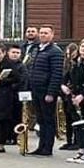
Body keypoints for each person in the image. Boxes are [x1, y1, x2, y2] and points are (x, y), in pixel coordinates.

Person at [24, 25, 65, 156]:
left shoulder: (55, 51)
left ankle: (48, 148)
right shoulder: (36, 49)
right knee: (40, 120)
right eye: (41, 33)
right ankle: (40, 146)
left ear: (52, 35)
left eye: (46, 33)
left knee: (48, 120)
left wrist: (51, 92)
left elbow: (57, 74)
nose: (43, 35)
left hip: (46, 91)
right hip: (36, 89)